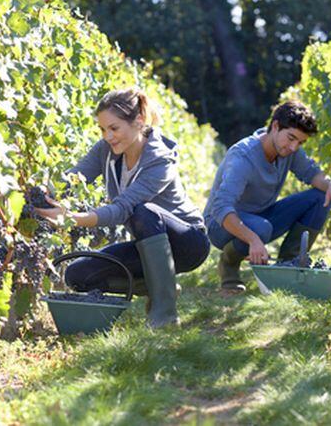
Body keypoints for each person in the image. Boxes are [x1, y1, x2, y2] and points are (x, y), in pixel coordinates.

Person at [35, 88, 210, 328]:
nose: (108, 136)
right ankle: (162, 285)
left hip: (188, 243)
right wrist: (43, 192)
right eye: (103, 129)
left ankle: (165, 315)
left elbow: (123, 209)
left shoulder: (160, 160)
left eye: (114, 128)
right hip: (147, 244)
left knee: (143, 211)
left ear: (138, 121)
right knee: (77, 275)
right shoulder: (105, 150)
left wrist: (72, 218)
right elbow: (74, 178)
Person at [203, 100, 331, 292]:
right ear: (275, 126)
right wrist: (253, 240)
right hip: (220, 225)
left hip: (260, 218)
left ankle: (288, 266)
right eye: (291, 138)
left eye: (300, 142)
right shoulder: (243, 158)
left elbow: (312, 173)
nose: (294, 147)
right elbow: (221, 208)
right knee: (260, 228)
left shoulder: (287, 150)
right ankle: (228, 266)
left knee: (320, 197)